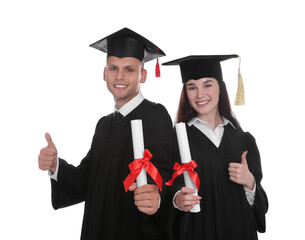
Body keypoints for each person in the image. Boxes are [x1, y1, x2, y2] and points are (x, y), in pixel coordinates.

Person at [38, 27, 172, 240]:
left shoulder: (155, 115)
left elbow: (167, 173)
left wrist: (158, 195)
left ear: (143, 75)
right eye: (113, 68)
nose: (119, 76)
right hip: (98, 228)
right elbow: (87, 179)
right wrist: (56, 166)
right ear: (104, 73)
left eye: (129, 69)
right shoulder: (104, 125)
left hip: (132, 230)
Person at [162, 55, 268, 240]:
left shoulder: (244, 140)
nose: (200, 94)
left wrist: (250, 182)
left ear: (221, 87)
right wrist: (178, 199)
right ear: (185, 93)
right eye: (192, 87)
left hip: (240, 231)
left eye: (207, 85)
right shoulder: (175, 140)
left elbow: (260, 206)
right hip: (198, 231)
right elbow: (166, 186)